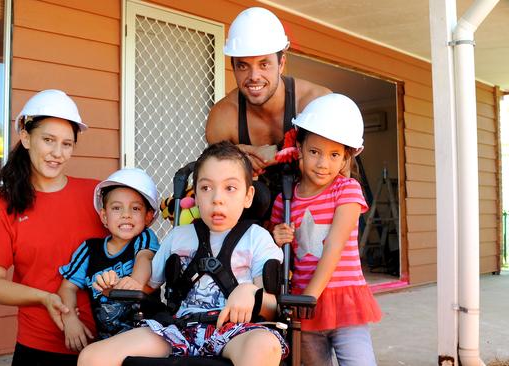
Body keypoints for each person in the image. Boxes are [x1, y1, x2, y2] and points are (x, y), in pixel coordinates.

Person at [78, 141, 287, 366]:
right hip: (179, 329)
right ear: (195, 195)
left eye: (230, 188)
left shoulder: (257, 238)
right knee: (92, 357)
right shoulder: (178, 236)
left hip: (235, 331)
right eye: (206, 188)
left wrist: (250, 292)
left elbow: (273, 307)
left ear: (248, 196)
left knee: (264, 345)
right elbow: (146, 287)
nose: (217, 198)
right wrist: (116, 285)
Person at [0, 89, 106, 366]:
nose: (57, 153)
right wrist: (45, 298)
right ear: (26, 137)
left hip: (106, 346)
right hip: (38, 348)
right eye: (48, 140)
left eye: (67, 144)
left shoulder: (97, 195)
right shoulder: (2, 209)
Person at [270, 94, 382, 366]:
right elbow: (270, 243)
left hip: (344, 302)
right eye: (314, 152)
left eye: (334, 155)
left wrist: (311, 294)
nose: (322, 164)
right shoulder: (285, 201)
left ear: (346, 157)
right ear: (299, 148)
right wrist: (276, 236)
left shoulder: (347, 190)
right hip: (304, 306)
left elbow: (335, 244)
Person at [205, 7, 331, 200]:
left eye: (264, 64)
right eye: (243, 66)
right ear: (234, 68)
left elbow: (342, 180)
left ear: (281, 64)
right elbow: (215, 182)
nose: (254, 77)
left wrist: (277, 152)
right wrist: (237, 161)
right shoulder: (223, 117)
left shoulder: (316, 102)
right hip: (252, 219)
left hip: (315, 212)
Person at [56, 168, 160, 352]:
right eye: (116, 208)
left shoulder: (143, 237)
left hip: (145, 333)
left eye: (135, 208)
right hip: (107, 338)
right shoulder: (90, 249)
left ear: (148, 217)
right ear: (104, 216)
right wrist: (70, 318)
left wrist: (135, 281)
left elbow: (145, 258)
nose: (126, 214)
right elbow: (68, 287)